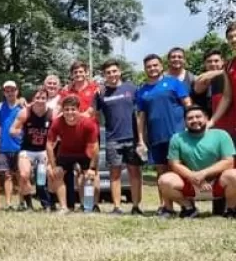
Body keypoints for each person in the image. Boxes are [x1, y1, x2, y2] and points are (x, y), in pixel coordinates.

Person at [158, 106, 236, 218]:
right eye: (190, 118)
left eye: (198, 117)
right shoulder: (177, 138)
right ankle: (189, 208)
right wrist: (193, 176)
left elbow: (228, 162)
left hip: (218, 183)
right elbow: (174, 164)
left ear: (206, 118)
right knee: (164, 180)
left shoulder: (221, 135)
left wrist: (203, 173)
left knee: (234, 175)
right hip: (190, 184)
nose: (194, 120)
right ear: (185, 122)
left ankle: (231, 210)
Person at [136, 54, 191, 211]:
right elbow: (141, 117)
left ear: (161, 66)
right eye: (149, 66)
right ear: (145, 69)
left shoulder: (174, 83)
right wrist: (141, 138)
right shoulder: (142, 91)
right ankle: (166, 205)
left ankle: (186, 205)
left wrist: (191, 127)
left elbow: (187, 104)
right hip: (155, 137)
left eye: (155, 65)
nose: (152, 68)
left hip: (178, 136)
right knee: (161, 172)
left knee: (179, 170)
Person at [92, 59, 143, 215]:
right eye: (108, 72)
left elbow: (140, 113)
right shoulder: (100, 93)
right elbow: (94, 114)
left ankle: (135, 206)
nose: (112, 74)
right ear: (104, 75)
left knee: (135, 172)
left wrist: (141, 139)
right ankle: (117, 207)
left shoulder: (132, 88)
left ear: (120, 71)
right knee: (115, 174)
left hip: (131, 137)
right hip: (112, 138)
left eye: (114, 71)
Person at [47, 96, 100, 214]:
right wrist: (53, 165)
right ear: (63, 111)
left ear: (78, 110)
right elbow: (49, 145)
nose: (69, 112)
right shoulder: (57, 122)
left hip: (84, 152)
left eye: (72, 109)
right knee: (58, 173)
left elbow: (95, 147)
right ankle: (63, 207)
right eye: (66, 109)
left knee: (91, 176)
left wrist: (92, 168)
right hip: (66, 152)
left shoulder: (88, 123)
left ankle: (90, 206)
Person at [10, 87, 53, 211]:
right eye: (37, 98)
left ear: (47, 99)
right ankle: (28, 204)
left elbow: (57, 134)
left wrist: (51, 150)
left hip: (43, 150)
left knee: (45, 177)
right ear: (33, 99)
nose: (40, 100)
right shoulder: (25, 112)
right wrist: (22, 132)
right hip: (27, 149)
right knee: (24, 175)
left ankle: (48, 204)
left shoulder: (51, 113)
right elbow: (12, 130)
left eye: (43, 98)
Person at [0, 80, 22, 210]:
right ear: (4, 93)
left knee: (20, 175)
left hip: (20, 146)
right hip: (4, 146)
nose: (10, 92)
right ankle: (8, 203)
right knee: (7, 176)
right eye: (7, 90)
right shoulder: (0, 107)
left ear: (17, 91)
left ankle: (22, 202)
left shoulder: (23, 106)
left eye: (12, 90)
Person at [191, 49, 231, 123]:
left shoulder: (229, 77)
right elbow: (199, 86)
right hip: (207, 124)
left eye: (216, 61)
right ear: (204, 64)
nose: (213, 64)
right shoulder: (201, 78)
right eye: (209, 61)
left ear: (223, 61)